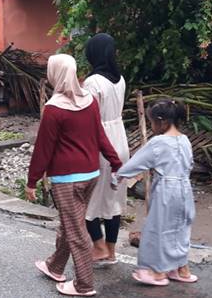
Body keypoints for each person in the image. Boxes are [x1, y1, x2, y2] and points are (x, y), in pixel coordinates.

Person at [27, 54, 122, 297]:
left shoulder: (54, 109)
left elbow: (43, 149)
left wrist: (32, 181)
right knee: (71, 223)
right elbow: (100, 135)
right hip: (91, 174)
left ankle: (84, 284)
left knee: (76, 231)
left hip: (67, 179)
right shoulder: (89, 101)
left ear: (55, 74)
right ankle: (55, 266)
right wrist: (115, 162)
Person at [113, 99, 197, 286]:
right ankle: (181, 269)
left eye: (151, 122)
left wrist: (118, 177)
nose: (151, 126)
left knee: (157, 229)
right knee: (181, 228)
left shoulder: (158, 142)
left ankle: (156, 272)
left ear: (162, 122)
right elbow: (189, 164)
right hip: (185, 187)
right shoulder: (185, 140)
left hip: (166, 189)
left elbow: (137, 163)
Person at [82, 33, 130, 265]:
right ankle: (111, 252)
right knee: (114, 198)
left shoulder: (93, 83)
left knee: (90, 198)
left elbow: (89, 117)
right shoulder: (120, 80)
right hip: (120, 139)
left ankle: (98, 246)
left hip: (101, 142)